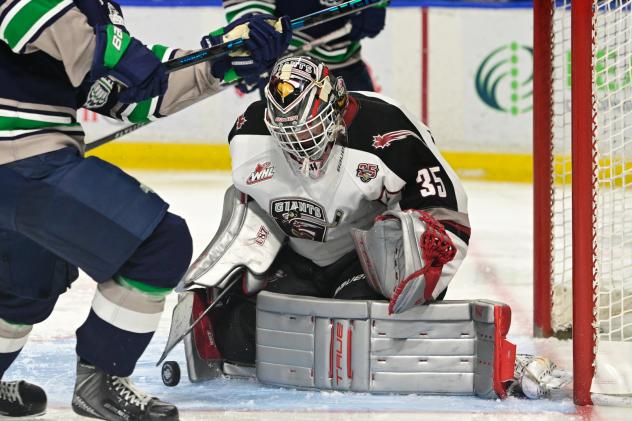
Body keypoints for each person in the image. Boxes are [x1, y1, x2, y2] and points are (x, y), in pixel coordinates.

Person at [0, 0, 291, 419]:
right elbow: (104, 58)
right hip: (22, 161)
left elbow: (130, 94)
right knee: (157, 244)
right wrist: (119, 57)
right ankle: (101, 382)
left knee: (23, 288)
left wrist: (222, 59)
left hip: (23, 163)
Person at [209, 55, 470, 364]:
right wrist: (238, 264)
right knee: (239, 340)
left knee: (357, 332)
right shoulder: (248, 134)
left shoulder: (387, 133)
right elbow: (245, 205)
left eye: (307, 128)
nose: (298, 143)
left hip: (366, 263)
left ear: (336, 105)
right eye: (287, 134)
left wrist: (425, 277)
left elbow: (446, 214)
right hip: (298, 257)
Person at [221, 0, 387, 93]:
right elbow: (250, 13)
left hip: (346, 62)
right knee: (289, 146)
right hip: (286, 67)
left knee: (366, 138)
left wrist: (378, 3)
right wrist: (257, 38)